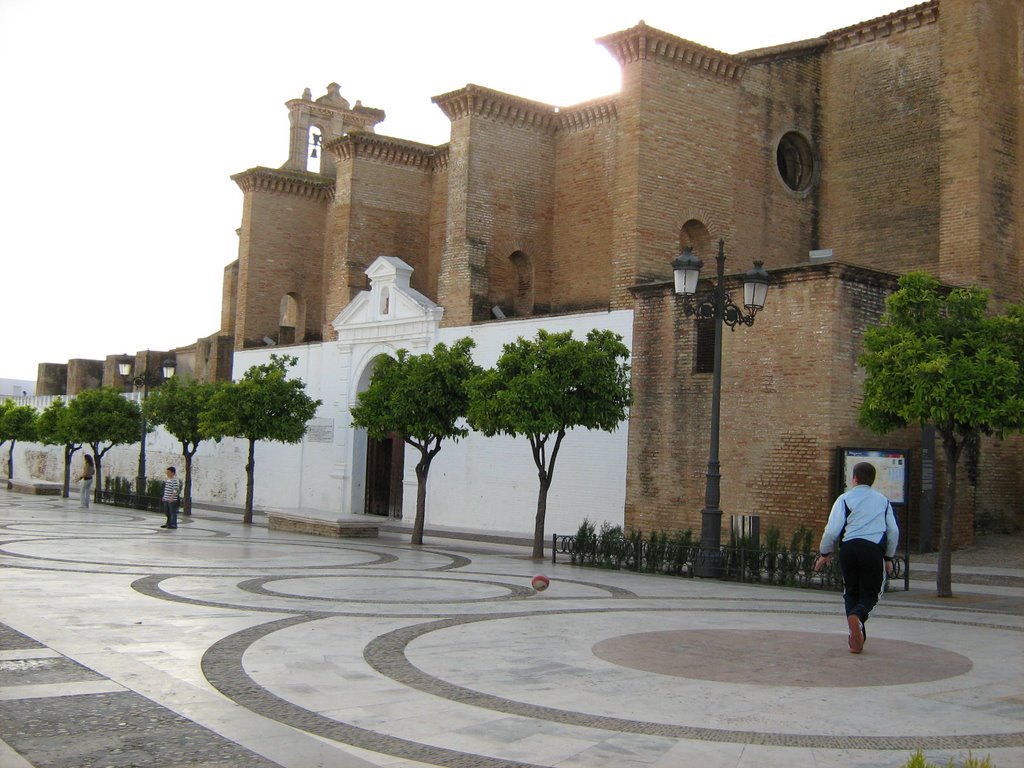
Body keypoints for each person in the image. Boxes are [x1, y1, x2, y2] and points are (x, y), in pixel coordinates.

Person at [814, 461, 899, 654]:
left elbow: (832, 530)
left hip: (848, 549)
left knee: (851, 591)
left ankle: (856, 636)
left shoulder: (844, 499)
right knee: (872, 592)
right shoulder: (883, 501)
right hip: (872, 549)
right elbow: (893, 531)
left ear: (854, 479)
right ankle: (858, 617)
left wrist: (824, 553)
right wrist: (888, 557)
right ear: (872, 480)